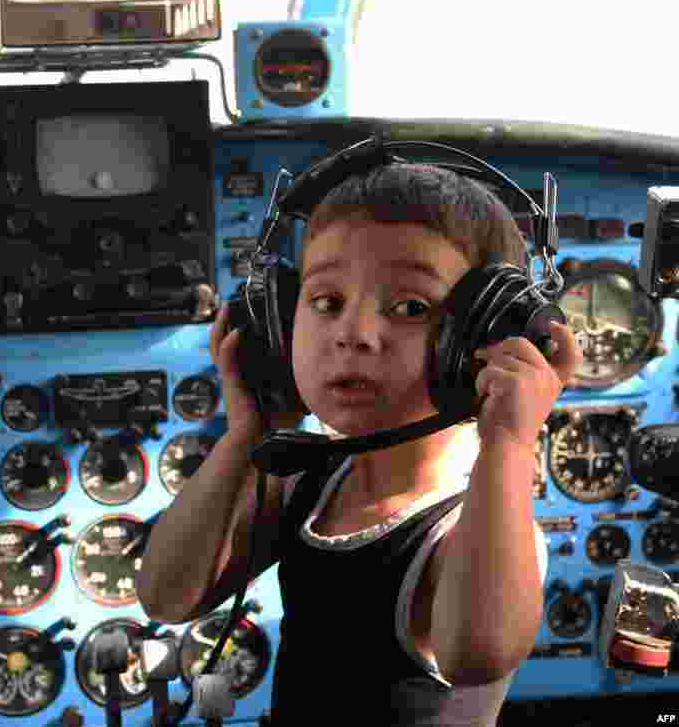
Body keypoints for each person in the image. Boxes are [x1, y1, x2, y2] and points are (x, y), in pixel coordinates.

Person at [136, 162, 582, 725]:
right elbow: (168, 597)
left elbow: (478, 652)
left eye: (410, 308)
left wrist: (510, 444)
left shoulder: (475, 528)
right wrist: (245, 434)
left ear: (485, 335)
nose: (353, 333)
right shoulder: (308, 480)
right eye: (326, 301)